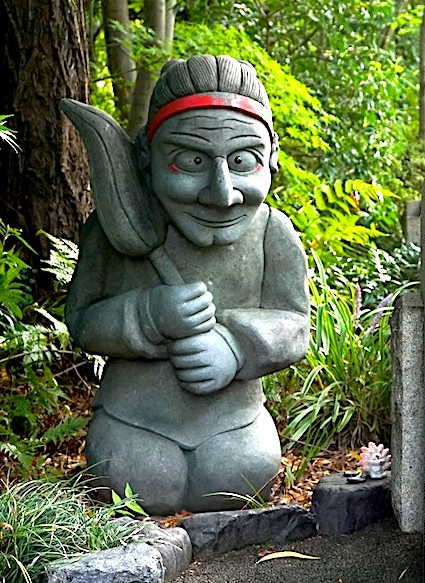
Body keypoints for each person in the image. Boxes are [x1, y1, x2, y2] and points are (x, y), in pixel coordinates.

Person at [65, 55, 310, 515]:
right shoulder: (110, 233)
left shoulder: (272, 232)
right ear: (146, 156)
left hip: (234, 423)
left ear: (272, 158)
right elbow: (81, 320)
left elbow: (296, 324)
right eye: (191, 161)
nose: (222, 193)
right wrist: (145, 315)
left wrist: (236, 346)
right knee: (136, 478)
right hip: (135, 421)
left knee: (238, 476)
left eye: (243, 161)